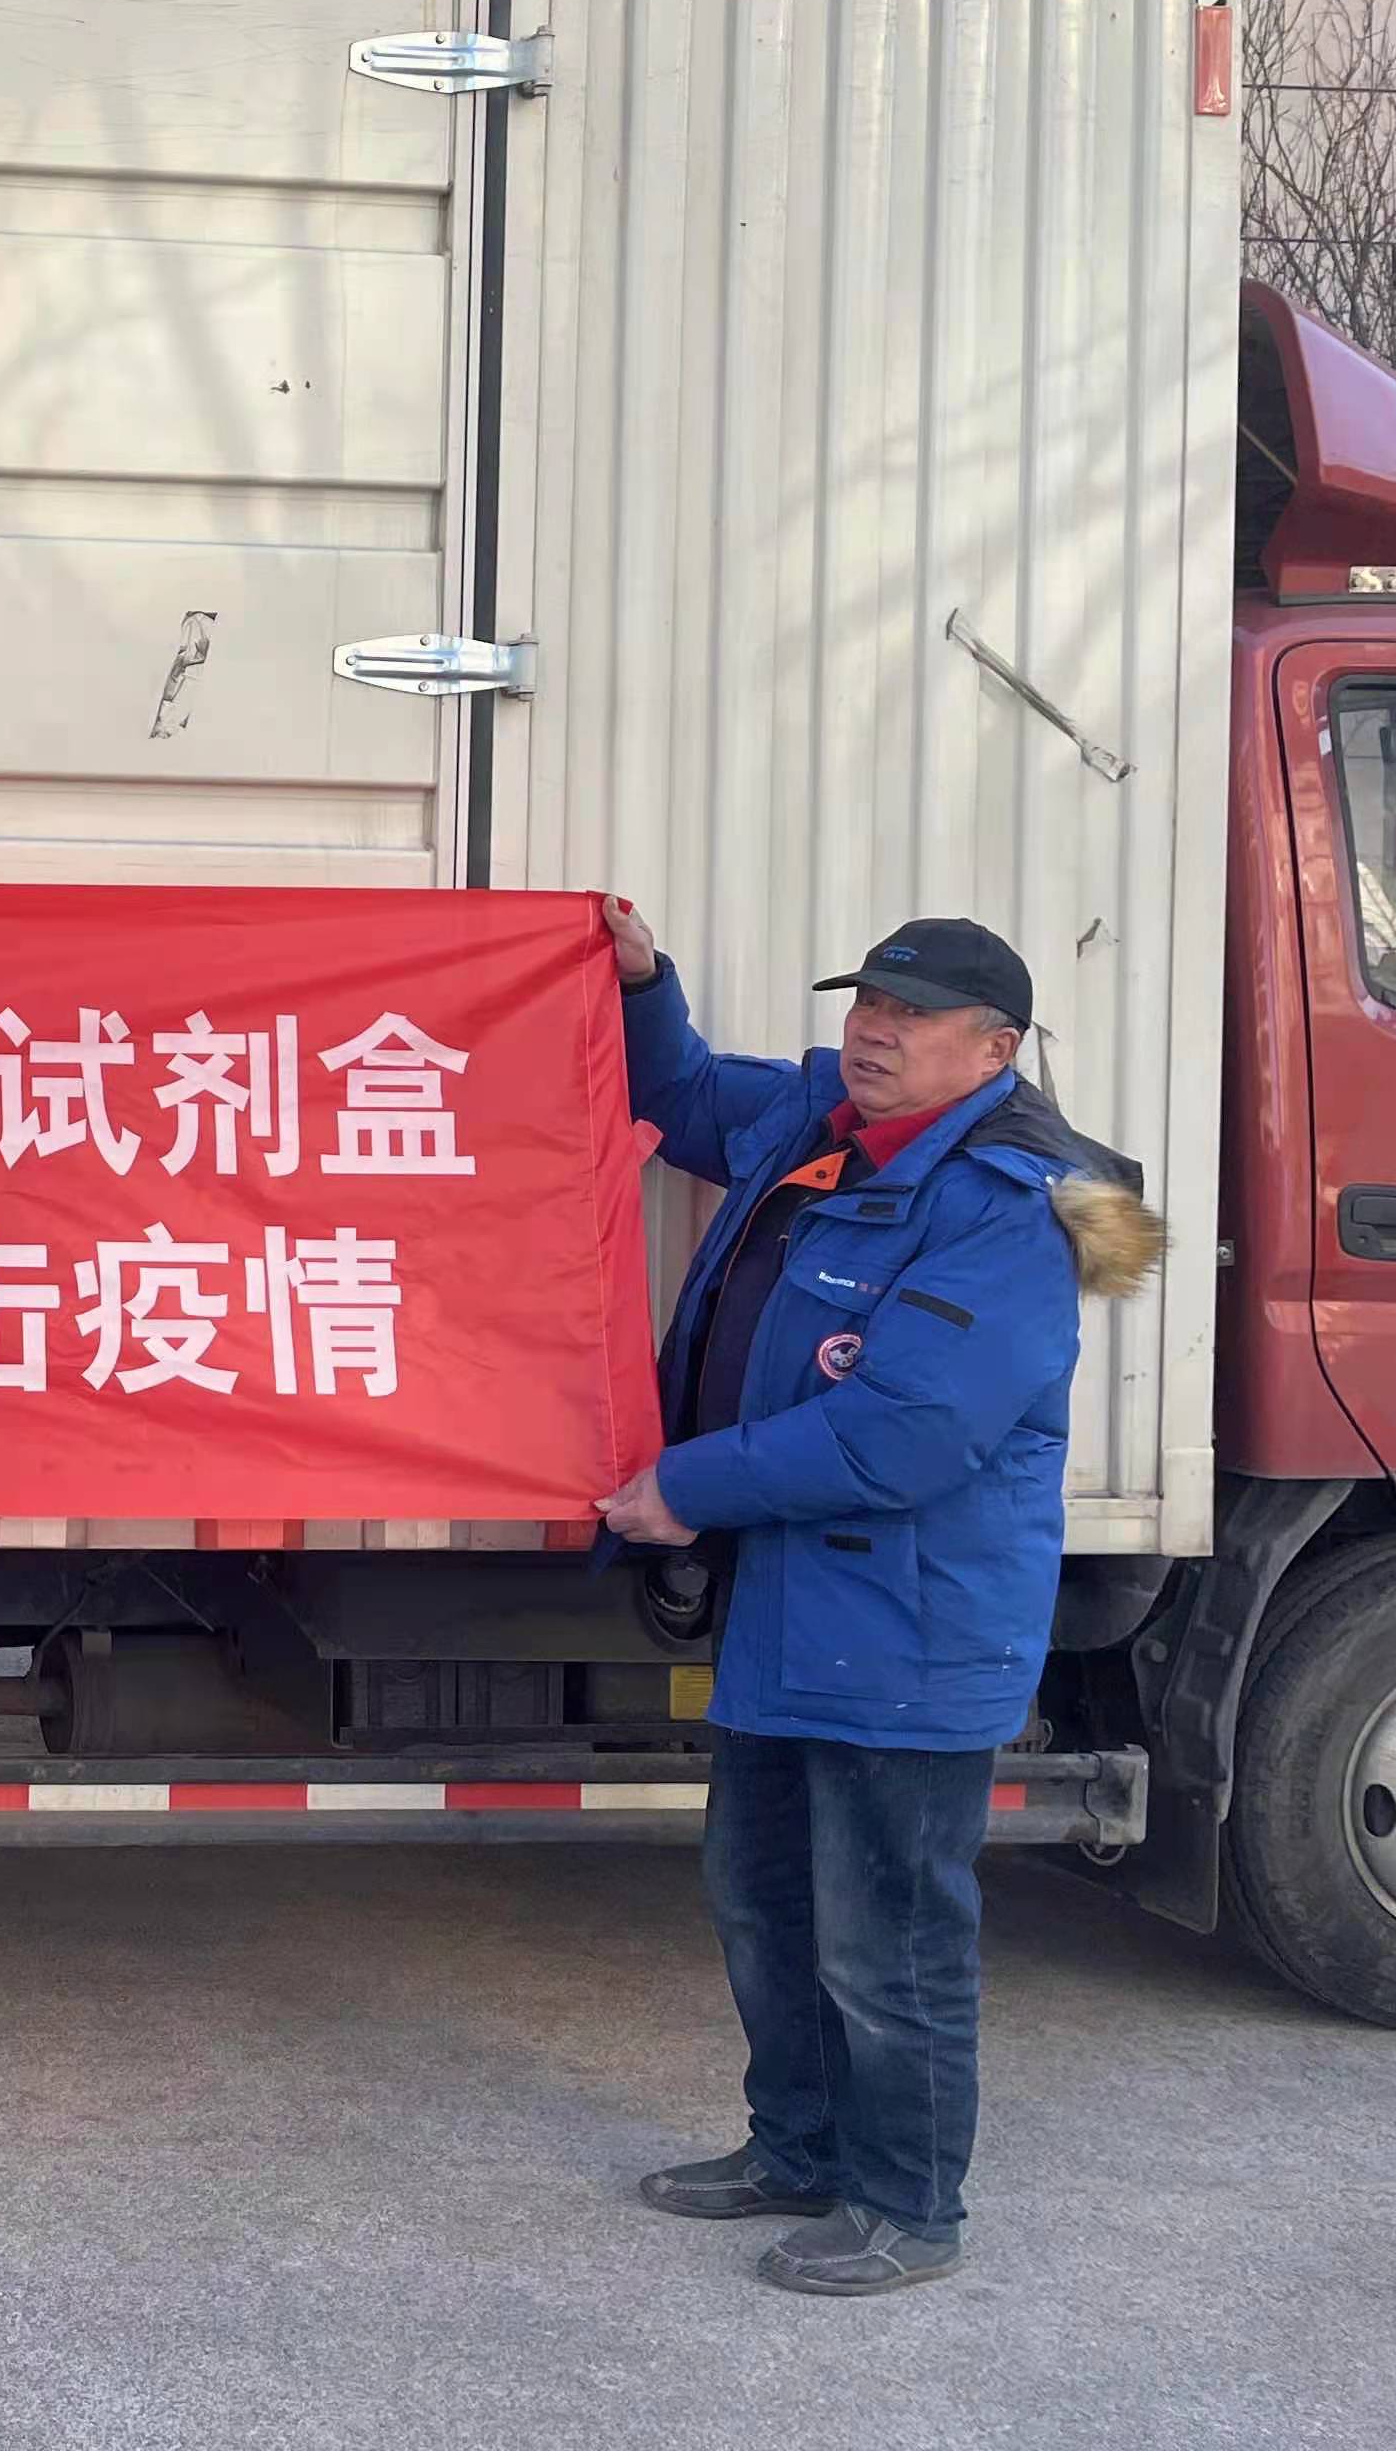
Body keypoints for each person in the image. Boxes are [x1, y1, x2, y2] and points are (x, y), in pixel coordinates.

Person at [593, 901, 1160, 2298]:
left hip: (907, 1631)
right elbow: (678, 1098)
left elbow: (905, 1433)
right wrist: (645, 986)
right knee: (764, 1905)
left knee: (887, 1937)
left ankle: (908, 2206)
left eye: (911, 1016)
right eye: (867, 1006)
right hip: (789, 1608)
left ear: (995, 1049)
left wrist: (688, 1487)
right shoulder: (818, 1120)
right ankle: (796, 2151)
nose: (875, 1032)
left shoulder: (1009, 1210)